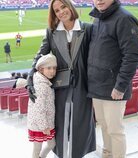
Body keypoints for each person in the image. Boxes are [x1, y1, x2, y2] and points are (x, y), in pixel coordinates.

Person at [27, 0, 96, 158]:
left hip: (82, 85)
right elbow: (40, 55)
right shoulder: (51, 32)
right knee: (60, 124)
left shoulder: (88, 29)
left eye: (63, 7)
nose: (61, 12)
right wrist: (31, 74)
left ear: (70, 6)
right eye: (57, 10)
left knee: (80, 125)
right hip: (59, 86)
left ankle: (77, 155)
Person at [87, 0, 138, 158]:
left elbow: (132, 55)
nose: (99, 0)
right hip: (97, 86)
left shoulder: (124, 18)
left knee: (115, 130)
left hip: (113, 88)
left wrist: (120, 86)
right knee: (104, 126)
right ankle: (107, 154)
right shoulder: (97, 18)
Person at [27, 54, 57, 158]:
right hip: (39, 124)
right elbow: (39, 108)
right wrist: (43, 126)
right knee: (37, 149)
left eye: (54, 68)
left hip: (47, 122)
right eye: (48, 68)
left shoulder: (46, 82)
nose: (52, 71)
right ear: (40, 69)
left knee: (51, 144)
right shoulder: (41, 86)